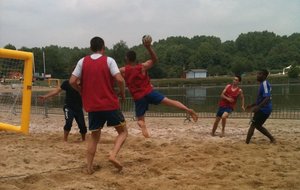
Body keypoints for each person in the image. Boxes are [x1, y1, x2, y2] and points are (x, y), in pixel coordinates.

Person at [69, 36, 128, 174]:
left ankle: (89, 167)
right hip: (110, 104)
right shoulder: (109, 60)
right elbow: (120, 79)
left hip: (93, 106)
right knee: (123, 132)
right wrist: (122, 93)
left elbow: (72, 81)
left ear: (90, 48)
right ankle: (113, 155)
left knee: (94, 137)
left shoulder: (82, 61)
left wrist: (81, 91)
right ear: (103, 48)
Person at [119, 37, 198, 138]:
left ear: (127, 59)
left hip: (138, 97)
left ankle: (145, 131)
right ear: (135, 58)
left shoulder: (123, 70)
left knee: (140, 120)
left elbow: (114, 75)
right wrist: (148, 47)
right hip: (149, 92)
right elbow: (155, 59)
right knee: (171, 101)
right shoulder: (143, 66)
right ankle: (187, 109)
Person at [245, 69, 276, 144]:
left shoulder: (265, 84)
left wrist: (258, 107)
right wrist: (252, 105)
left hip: (264, 109)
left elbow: (267, 98)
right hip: (265, 109)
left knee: (253, 124)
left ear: (264, 76)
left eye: (260, 74)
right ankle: (272, 139)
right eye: (258, 73)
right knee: (258, 125)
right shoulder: (263, 84)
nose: (257, 75)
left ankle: (246, 143)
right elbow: (261, 99)